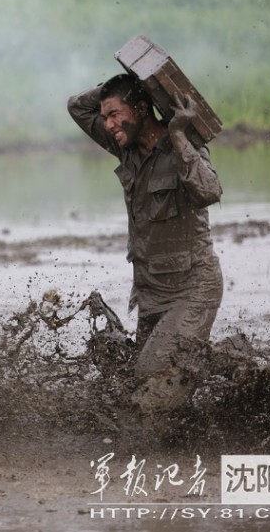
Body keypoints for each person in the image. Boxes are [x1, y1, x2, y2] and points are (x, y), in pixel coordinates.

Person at [67, 73, 223, 426]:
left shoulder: (186, 147)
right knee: (140, 382)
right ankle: (201, 411)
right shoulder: (124, 145)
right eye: (104, 116)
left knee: (150, 374)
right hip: (151, 293)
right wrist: (142, 79)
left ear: (140, 110)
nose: (107, 125)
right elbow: (77, 106)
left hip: (192, 289)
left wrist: (179, 134)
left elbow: (210, 191)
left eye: (114, 115)